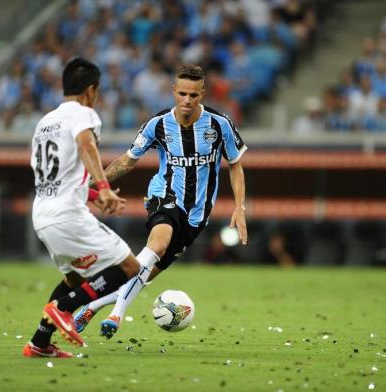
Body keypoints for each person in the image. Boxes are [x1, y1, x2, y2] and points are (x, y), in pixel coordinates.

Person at [74, 64, 248, 338]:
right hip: (163, 195)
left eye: (193, 95)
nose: (187, 100)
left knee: (141, 276)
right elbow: (127, 161)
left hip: (196, 215)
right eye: (182, 94)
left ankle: (92, 305)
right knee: (157, 245)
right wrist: (93, 183)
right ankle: (116, 316)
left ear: (202, 93)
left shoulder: (219, 124)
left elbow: (235, 165)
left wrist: (239, 207)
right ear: (173, 92)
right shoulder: (158, 125)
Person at [23, 57, 145, 358]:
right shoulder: (84, 114)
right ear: (91, 91)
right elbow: (86, 145)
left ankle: (39, 343)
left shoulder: (45, 122)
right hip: (67, 216)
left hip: (43, 214)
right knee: (130, 267)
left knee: (74, 279)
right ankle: (63, 309)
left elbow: (59, 175)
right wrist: (103, 187)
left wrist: (92, 195)